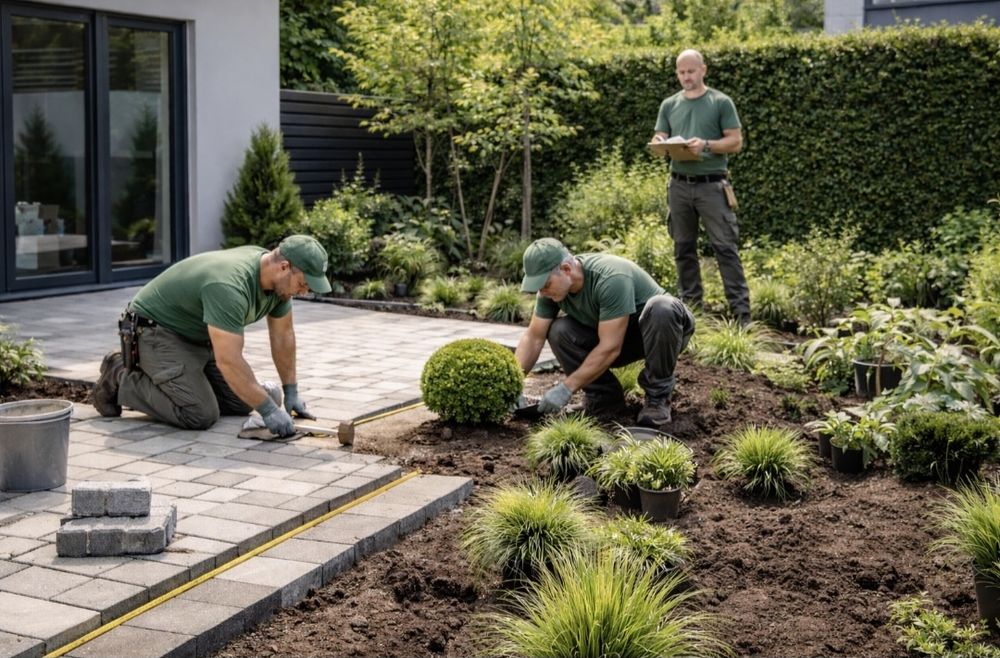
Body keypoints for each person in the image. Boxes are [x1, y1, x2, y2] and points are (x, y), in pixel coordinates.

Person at [90, 234, 332, 437]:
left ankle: (187, 385)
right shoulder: (230, 286)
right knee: (200, 414)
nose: (304, 291)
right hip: (155, 331)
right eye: (303, 284)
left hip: (197, 337)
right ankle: (120, 375)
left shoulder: (278, 286)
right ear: (284, 267)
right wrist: (268, 410)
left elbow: (283, 336)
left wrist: (291, 391)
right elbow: (229, 360)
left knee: (245, 401)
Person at [514, 238, 695, 427]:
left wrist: (567, 388)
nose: (542, 292)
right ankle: (603, 400)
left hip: (664, 334)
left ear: (566, 269)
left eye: (545, 284)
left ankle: (658, 398)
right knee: (559, 331)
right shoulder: (551, 292)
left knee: (661, 307)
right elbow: (534, 337)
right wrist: (515, 383)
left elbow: (610, 347)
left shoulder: (610, 278)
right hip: (616, 339)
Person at [652, 48, 750, 325]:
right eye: (681, 72)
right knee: (683, 250)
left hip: (712, 186)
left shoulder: (720, 102)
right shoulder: (669, 105)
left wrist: (705, 144)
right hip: (678, 185)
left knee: (725, 249)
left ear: (703, 70)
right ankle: (691, 316)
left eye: (691, 71)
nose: (686, 77)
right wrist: (659, 141)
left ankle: (742, 318)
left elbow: (735, 142)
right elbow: (660, 134)